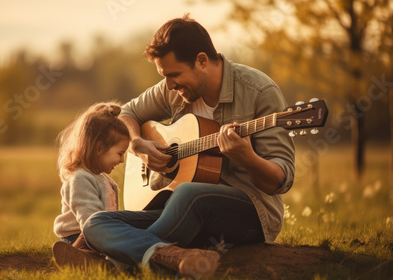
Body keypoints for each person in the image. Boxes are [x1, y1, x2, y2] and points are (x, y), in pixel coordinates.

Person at [82, 14, 295, 279]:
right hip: (179, 209)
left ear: (202, 61)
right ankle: (173, 257)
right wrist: (137, 144)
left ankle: (114, 260)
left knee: (189, 194)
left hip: (250, 210)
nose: (169, 85)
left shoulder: (260, 91)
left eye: (174, 75)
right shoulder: (172, 88)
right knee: (97, 221)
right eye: (164, 76)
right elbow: (127, 113)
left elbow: (282, 179)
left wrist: (247, 157)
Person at [52, 101, 130, 268]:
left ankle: (99, 262)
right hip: (79, 237)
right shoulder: (80, 179)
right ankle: (76, 256)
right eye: (120, 153)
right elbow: (90, 221)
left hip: (97, 234)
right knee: (121, 252)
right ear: (99, 148)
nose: (122, 160)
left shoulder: (103, 179)